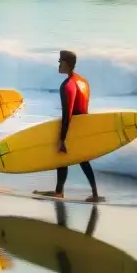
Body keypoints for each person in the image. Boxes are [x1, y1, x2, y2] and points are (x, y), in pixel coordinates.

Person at [35, 50, 102, 202]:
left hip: (72, 127)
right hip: (83, 126)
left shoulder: (67, 85)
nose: (58, 64)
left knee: (62, 155)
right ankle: (94, 193)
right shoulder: (83, 81)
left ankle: (59, 192)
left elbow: (67, 114)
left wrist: (62, 138)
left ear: (66, 63)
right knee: (82, 159)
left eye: (60, 61)